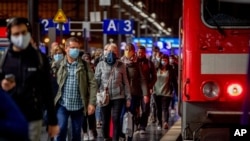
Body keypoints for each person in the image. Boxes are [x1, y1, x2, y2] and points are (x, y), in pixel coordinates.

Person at [0, 17, 59, 141]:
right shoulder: (4, 60)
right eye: (16, 34)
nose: (21, 36)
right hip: (9, 117)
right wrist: (2, 84)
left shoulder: (39, 59)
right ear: (10, 36)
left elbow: (47, 90)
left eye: (24, 33)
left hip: (33, 118)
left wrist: (52, 121)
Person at [54, 37, 97, 141]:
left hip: (79, 105)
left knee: (76, 133)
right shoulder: (58, 64)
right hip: (62, 104)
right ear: (66, 48)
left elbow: (93, 84)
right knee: (61, 130)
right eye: (73, 47)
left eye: (77, 48)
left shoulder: (85, 66)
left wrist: (91, 103)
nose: (75, 50)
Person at [95, 43, 131, 141]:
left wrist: (128, 97)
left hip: (118, 96)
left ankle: (115, 138)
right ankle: (106, 137)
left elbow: (126, 82)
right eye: (109, 51)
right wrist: (94, 96)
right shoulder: (100, 64)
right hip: (104, 96)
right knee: (105, 119)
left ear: (117, 53)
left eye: (114, 51)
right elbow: (96, 81)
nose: (111, 53)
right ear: (106, 52)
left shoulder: (121, 65)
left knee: (116, 118)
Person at [120, 43, 148, 140]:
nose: (127, 51)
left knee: (130, 115)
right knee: (122, 114)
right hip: (122, 94)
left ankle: (130, 136)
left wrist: (145, 94)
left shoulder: (137, 64)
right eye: (126, 49)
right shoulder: (120, 62)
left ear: (133, 51)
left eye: (130, 49)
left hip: (134, 94)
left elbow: (143, 79)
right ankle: (121, 134)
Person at [153, 54, 178, 130]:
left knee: (165, 108)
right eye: (163, 60)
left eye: (165, 60)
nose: (164, 62)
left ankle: (165, 122)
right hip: (156, 91)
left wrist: (177, 93)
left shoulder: (171, 70)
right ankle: (159, 122)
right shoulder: (156, 69)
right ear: (160, 61)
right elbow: (152, 78)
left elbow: (174, 82)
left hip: (166, 92)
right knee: (158, 108)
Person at [136, 46, 157, 134]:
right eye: (139, 52)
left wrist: (150, 86)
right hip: (135, 89)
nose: (140, 54)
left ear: (145, 53)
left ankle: (142, 126)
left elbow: (154, 77)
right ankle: (136, 123)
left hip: (146, 89)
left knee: (145, 108)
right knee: (135, 108)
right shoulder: (134, 62)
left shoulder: (149, 63)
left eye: (142, 52)